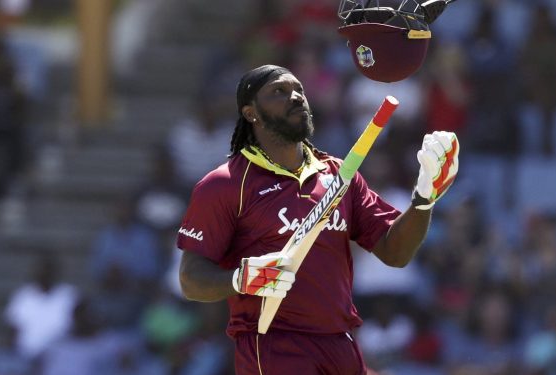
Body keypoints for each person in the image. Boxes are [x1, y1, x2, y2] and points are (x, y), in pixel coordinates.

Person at [177, 64, 459, 374]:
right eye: (279, 92)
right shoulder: (225, 184)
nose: (296, 96)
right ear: (251, 113)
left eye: (298, 89)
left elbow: (395, 252)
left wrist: (423, 199)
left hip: (342, 343)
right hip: (276, 346)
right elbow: (191, 280)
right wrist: (242, 278)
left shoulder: (339, 174)